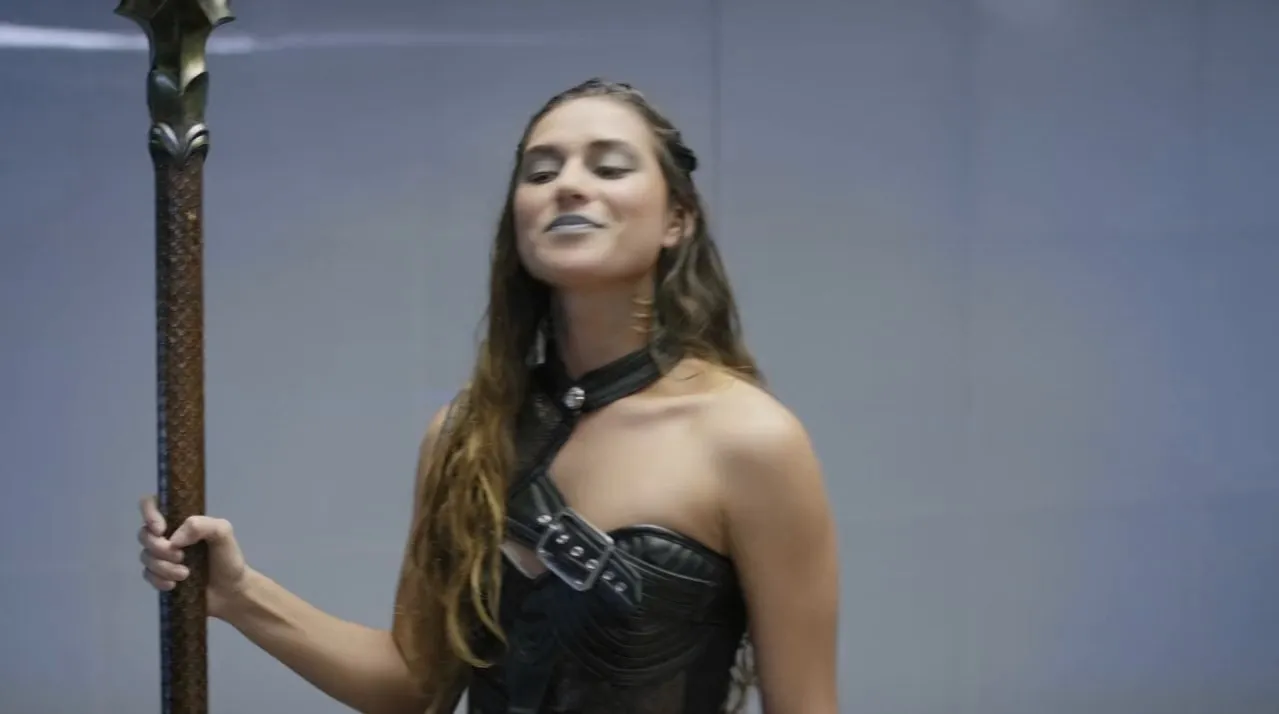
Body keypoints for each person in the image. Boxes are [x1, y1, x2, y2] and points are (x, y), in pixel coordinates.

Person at [137, 78, 839, 714]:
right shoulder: (465, 433)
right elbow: (411, 686)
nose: (569, 186)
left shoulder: (748, 440)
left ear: (675, 219)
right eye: (541, 171)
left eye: (608, 167)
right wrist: (238, 594)